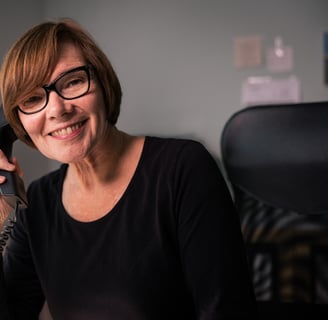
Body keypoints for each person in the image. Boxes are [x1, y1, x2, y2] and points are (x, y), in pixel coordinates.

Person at [0, 18, 257, 319]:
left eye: (72, 81)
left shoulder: (183, 169)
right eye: (32, 99)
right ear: (18, 124)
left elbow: (226, 309)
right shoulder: (37, 202)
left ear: (102, 84)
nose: (57, 109)